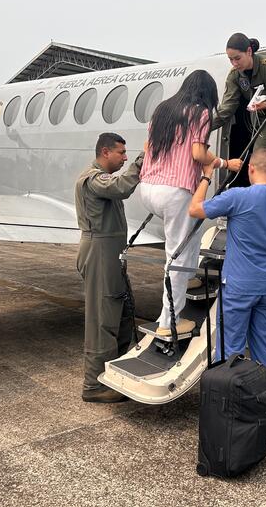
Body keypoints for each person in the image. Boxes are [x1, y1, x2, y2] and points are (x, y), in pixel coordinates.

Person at [188, 148, 266, 392]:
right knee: (265, 350)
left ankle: (232, 411)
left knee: (231, 350)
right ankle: (262, 407)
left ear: (251, 169)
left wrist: (206, 176)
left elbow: (195, 209)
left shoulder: (237, 196)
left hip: (239, 286)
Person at [140, 70, 242, 336]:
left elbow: (147, 144)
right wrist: (224, 163)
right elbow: (198, 153)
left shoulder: (163, 109)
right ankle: (168, 323)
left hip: (149, 186)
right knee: (176, 253)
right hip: (175, 190)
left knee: (194, 230)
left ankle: (188, 276)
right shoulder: (200, 112)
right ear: (208, 94)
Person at [75, 133, 144, 403]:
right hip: (99, 254)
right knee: (101, 321)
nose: (125, 157)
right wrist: (143, 158)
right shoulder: (93, 179)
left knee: (123, 312)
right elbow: (123, 186)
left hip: (112, 254)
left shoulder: (102, 179)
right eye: (121, 153)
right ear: (105, 152)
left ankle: (112, 373)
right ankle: (93, 386)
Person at [212, 33, 266, 156]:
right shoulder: (235, 75)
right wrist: (204, 127)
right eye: (230, 59)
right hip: (256, 119)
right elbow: (227, 107)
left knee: (259, 155)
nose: (234, 63)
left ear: (249, 51)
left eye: (237, 58)